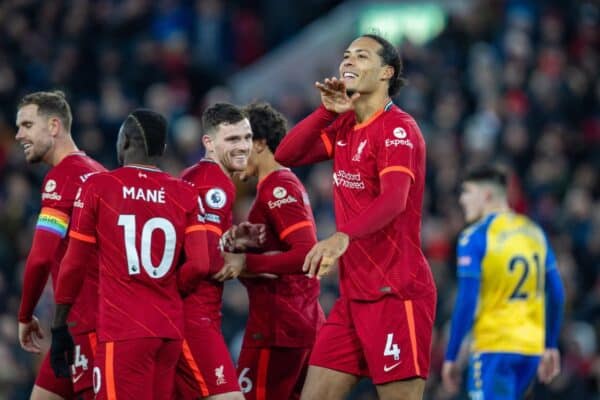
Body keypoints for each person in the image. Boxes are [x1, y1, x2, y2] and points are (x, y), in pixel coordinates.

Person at [274, 34, 436, 400]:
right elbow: (287, 154)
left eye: (361, 56)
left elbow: (395, 199)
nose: (347, 61)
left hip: (396, 294)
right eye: (345, 55)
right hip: (353, 298)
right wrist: (325, 112)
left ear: (385, 73)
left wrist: (341, 236)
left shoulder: (398, 129)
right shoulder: (347, 127)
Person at [50, 109, 213, 399]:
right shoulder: (186, 193)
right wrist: (174, 288)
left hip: (123, 331)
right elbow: (200, 265)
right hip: (169, 331)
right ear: (162, 149)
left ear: (124, 142)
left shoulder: (99, 186)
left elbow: (73, 264)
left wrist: (59, 323)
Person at [226, 102, 325, 400]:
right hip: (297, 324)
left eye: (239, 143)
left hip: (279, 328)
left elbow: (306, 252)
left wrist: (246, 262)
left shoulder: (278, 188)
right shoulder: (277, 188)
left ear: (259, 144)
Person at [442, 165, 565, 399]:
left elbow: (467, 300)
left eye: (467, 192)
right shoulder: (534, 232)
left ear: (487, 195)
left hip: (494, 346)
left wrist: (452, 355)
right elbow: (557, 293)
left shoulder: (475, 237)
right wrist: (550, 345)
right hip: (530, 348)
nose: (462, 200)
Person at [16, 90, 106, 400]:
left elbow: (41, 258)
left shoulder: (62, 178)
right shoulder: (99, 172)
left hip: (90, 325)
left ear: (54, 126)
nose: (18, 135)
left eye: (27, 125)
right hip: (76, 324)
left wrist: (25, 315)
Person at [175, 103, 253, 400]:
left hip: (192, 315)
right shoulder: (215, 183)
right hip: (194, 318)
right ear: (208, 142)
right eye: (232, 140)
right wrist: (238, 260)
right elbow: (204, 262)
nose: (243, 146)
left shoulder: (191, 175)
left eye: (246, 137)